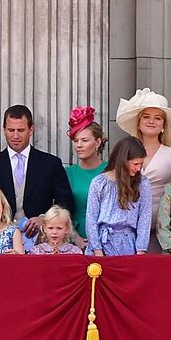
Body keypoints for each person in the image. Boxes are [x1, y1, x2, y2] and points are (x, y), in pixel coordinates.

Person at [0, 104, 73, 249]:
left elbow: (65, 201)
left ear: (31, 130)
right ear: (4, 130)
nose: (15, 136)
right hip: (0, 241)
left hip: (42, 240)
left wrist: (44, 219)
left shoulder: (51, 164)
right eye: (11, 130)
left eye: (21, 130)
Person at [115, 88, 171, 254]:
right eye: (146, 117)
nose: (151, 121)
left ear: (163, 124)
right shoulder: (125, 152)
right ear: (139, 122)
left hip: (160, 230)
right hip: (125, 228)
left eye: (158, 118)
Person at [86, 137, 152, 256]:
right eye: (135, 164)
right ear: (122, 160)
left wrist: (141, 250)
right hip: (102, 245)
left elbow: (144, 217)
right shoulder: (99, 183)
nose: (138, 168)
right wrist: (97, 250)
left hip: (128, 246)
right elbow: (91, 218)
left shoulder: (142, 183)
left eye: (141, 164)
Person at [64, 106, 107, 247]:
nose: (79, 145)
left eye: (84, 140)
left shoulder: (111, 170)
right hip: (74, 240)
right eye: (76, 141)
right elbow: (61, 209)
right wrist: (75, 237)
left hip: (107, 239)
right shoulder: (67, 173)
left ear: (98, 142)